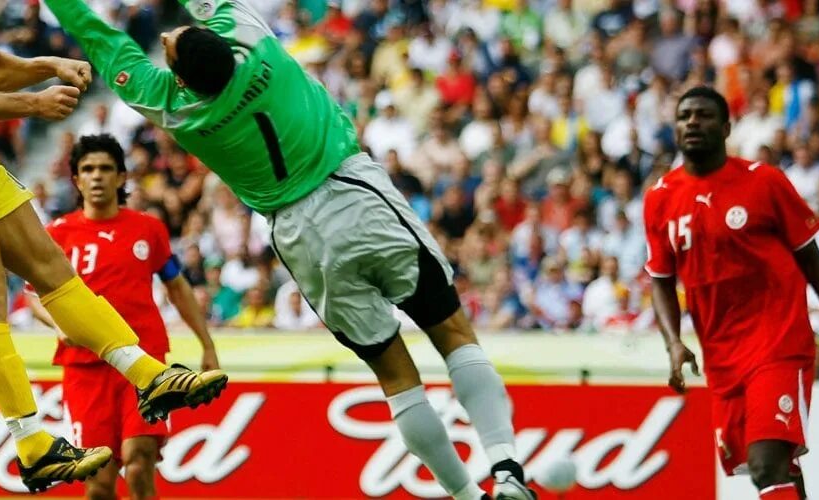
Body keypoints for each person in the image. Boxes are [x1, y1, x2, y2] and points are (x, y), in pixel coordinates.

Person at [39, 0, 533, 498]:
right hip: (354, 192)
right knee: (450, 330)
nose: (166, 35)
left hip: (300, 238)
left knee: (395, 375)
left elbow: (103, 40)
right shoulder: (255, 42)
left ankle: (468, 496)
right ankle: (508, 471)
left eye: (170, 43)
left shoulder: (175, 107)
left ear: (182, 80)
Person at [0, 0, 228, 490]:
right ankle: (32, 444)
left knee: (53, 268)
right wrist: (34, 103)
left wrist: (48, 66)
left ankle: (150, 377)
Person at [646, 86, 819, 500]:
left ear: (726, 128)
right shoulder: (660, 199)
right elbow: (660, 279)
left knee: (766, 465)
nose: (693, 122)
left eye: (704, 115)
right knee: (778, 467)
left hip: (778, 341)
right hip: (722, 356)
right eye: (685, 115)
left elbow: (811, 258)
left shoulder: (764, 183)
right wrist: (673, 342)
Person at [28, 135, 219, 499]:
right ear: (76, 180)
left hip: (143, 363)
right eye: (88, 169)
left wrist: (206, 345)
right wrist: (57, 324)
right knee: (98, 484)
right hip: (84, 368)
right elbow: (32, 295)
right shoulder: (57, 235)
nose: (96, 176)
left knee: (138, 458)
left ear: (121, 178)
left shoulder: (149, 229)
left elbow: (177, 288)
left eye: (105, 168)